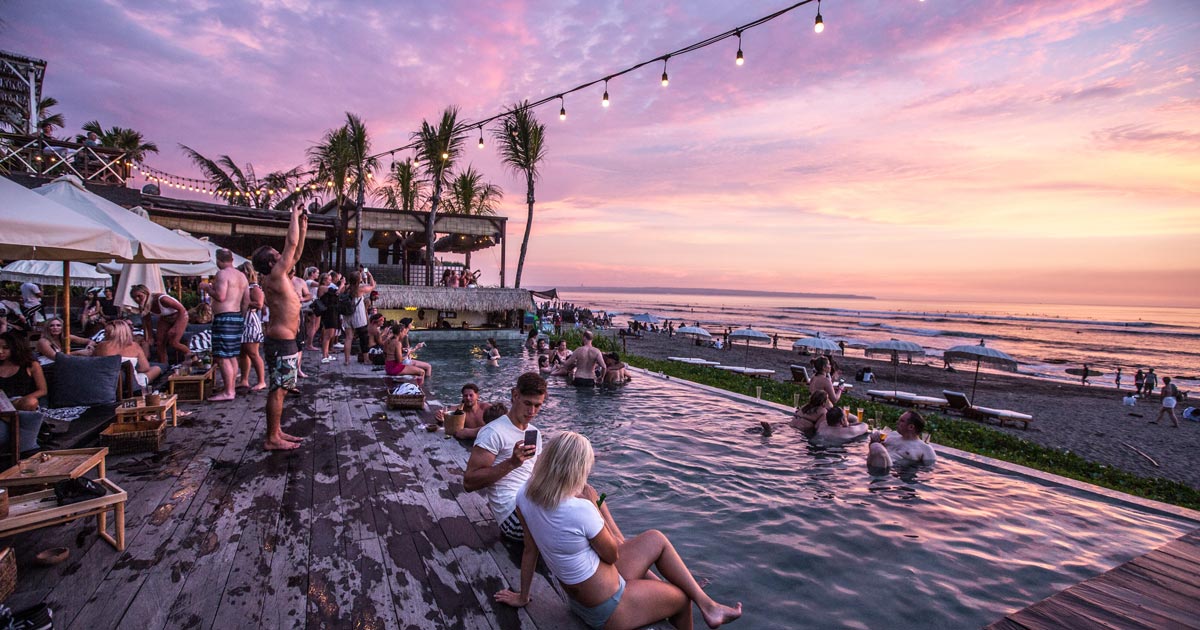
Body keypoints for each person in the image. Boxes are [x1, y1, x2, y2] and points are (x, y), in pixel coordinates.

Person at [495, 431, 743, 629]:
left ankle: (707, 604)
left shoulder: (524, 495)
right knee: (680, 599)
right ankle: (699, 603)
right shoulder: (579, 509)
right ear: (577, 469)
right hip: (609, 609)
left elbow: (530, 549)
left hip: (582, 599)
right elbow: (613, 555)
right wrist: (596, 506)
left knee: (655, 539)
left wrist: (522, 595)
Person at [249, 205, 307, 451]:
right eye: (277, 252)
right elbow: (291, 246)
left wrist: (303, 227)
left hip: (284, 340)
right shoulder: (274, 275)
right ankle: (271, 438)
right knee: (279, 389)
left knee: (281, 389)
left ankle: (276, 431)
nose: (283, 254)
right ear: (272, 260)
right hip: (282, 341)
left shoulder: (278, 275)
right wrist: (292, 216)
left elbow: (295, 252)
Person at [463, 372, 547, 541]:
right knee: (580, 531)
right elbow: (469, 482)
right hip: (512, 516)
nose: (532, 411)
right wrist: (511, 463)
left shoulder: (534, 433)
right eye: (527, 403)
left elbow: (536, 475)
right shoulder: (493, 432)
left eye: (538, 406)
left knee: (590, 503)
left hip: (532, 503)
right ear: (515, 395)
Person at [201, 249, 248, 401]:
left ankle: (229, 392)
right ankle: (231, 387)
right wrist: (241, 315)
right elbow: (246, 300)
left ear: (218, 260)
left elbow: (220, 296)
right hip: (236, 316)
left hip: (224, 317)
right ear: (232, 259)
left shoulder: (222, 274)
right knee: (232, 355)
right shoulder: (242, 276)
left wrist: (207, 288)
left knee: (222, 356)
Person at [0, 331, 47, 455]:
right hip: (2, 403)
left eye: (5, 348)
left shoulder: (30, 365)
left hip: (21, 403)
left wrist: (22, 400)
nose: (1, 352)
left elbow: (42, 390)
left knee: (31, 402)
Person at [130, 284, 190, 364]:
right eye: (134, 298)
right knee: (159, 343)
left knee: (174, 343)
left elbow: (182, 310)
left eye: (139, 296)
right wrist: (149, 337)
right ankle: (163, 365)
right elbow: (147, 322)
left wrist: (175, 327)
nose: (137, 299)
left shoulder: (162, 299)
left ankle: (191, 355)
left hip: (180, 316)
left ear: (146, 293)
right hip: (164, 318)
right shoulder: (143, 306)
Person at [93, 319, 161, 389]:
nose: (104, 335)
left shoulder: (101, 346)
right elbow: (145, 368)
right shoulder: (134, 346)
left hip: (108, 382)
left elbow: (94, 363)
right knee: (157, 368)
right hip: (131, 384)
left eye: (106, 333)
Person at [238, 267, 266, 391]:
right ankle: (244, 379)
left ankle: (261, 381)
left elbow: (259, 304)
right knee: (243, 353)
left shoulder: (254, 288)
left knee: (253, 352)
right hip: (243, 321)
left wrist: (243, 301)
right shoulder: (244, 287)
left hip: (250, 320)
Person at [342, 269, 375, 365]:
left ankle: (347, 360)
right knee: (363, 337)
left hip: (347, 315)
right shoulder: (360, 289)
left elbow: (338, 292)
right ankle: (366, 359)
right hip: (358, 315)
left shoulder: (346, 288)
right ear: (358, 279)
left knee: (348, 338)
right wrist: (370, 275)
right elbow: (372, 286)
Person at [318, 273, 342, 363]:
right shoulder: (322, 287)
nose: (330, 281)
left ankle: (327, 353)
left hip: (333, 311)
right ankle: (324, 355)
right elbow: (337, 292)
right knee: (328, 335)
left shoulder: (328, 288)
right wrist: (342, 284)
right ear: (324, 280)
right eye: (328, 279)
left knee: (331, 334)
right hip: (328, 312)